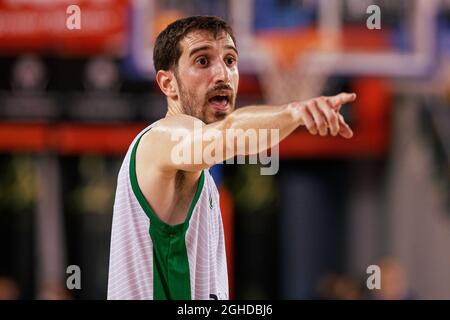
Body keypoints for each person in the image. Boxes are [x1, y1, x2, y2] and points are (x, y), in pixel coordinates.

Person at [107, 15, 356, 300]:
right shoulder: (162, 139)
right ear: (168, 84)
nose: (223, 75)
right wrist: (294, 113)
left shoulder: (201, 175)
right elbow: (231, 132)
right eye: (202, 61)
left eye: (229, 60)